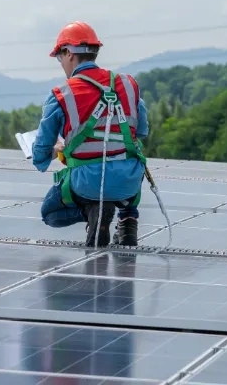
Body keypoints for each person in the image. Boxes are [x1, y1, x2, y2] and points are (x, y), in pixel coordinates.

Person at [31, 21, 149, 247]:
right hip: (128, 185)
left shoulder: (61, 94)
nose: (61, 63)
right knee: (129, 155)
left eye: (59, 57)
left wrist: (55, 150)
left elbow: (39, 157)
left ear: (68, 53)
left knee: (50, 213)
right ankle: (128, 220)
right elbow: (141, 131)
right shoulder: (127, 84)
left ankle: (93, 211)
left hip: (87, 184)